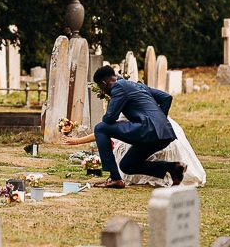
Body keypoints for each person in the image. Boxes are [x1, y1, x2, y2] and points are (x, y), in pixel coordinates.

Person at [83, 65, 187, 189]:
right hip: (164, 134)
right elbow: (166, 98)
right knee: (127, 165)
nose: (103, 91)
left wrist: (112, 100)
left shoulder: (117, 87)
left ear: (104, 83)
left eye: (101, 87)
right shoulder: (138, 86)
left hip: (147, 129)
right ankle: (173, 168)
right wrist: (160, 121)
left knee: (100, 128)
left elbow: (109, 118)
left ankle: (115, 179)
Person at [63, 120, 206, 187]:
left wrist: (77, 141)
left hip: (146, 132)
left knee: (128, 163)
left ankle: (171, 170)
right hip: (164, 128)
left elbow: (102, 131)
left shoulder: (123, 106)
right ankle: (173, 169)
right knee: (129, 162)